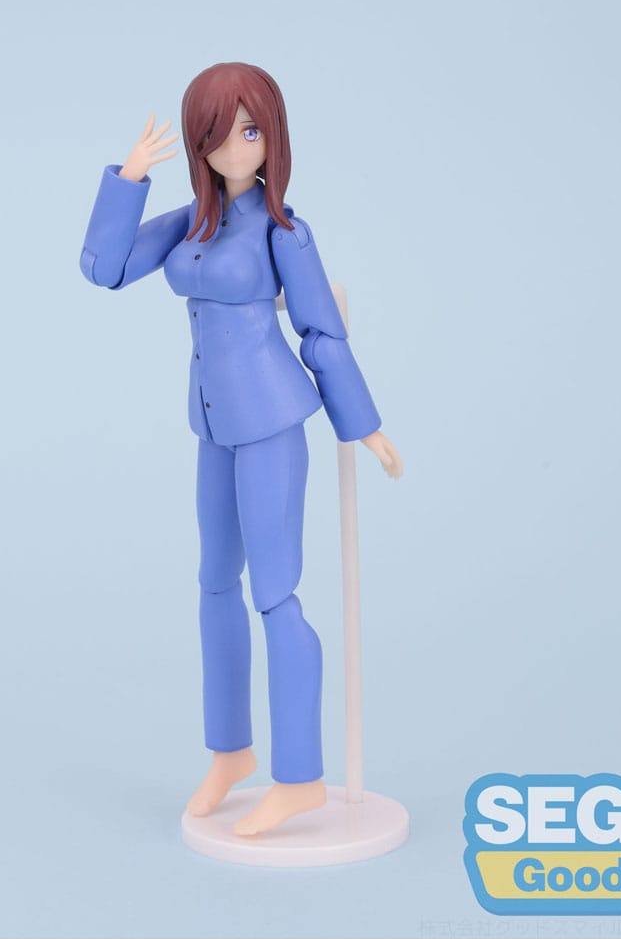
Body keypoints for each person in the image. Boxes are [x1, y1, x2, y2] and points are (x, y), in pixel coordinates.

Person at [80, 62, 402, 836]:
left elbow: (321, 331)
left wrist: (363, 424)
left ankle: (301, 776)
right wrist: (128, 180)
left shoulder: (283, 231)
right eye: (218, 133)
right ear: (198, 143)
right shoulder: (191, 223)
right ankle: (231, 751)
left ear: (273, 137)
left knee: (275, 594)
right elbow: (105, 268)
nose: (234, 147)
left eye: (251, 130)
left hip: (270, 422)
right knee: (215, 585)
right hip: (212, 425)